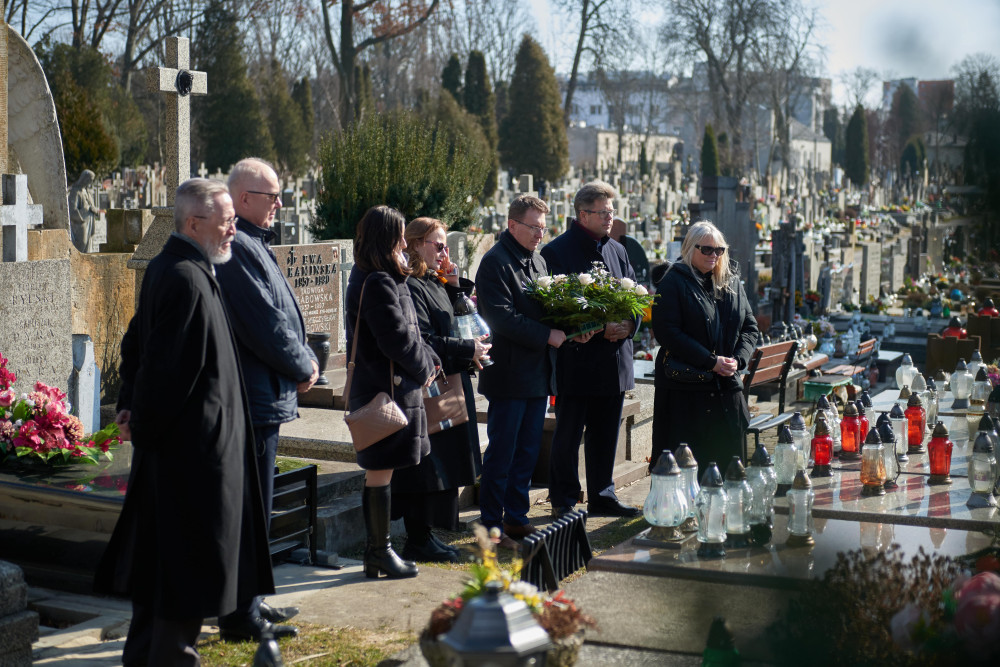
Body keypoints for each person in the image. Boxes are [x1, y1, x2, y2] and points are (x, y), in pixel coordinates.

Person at [94, 179, 276, 666]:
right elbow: (167, 371)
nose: (234, 229)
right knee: (181, 586)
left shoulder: (177, 267)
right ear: (194, 224)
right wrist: (140, 420)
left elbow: (138, 345)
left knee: (163, 585)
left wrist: (130, 407)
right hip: (191, 462)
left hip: (184, 455)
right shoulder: (184, 278)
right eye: (227, 221)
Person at [214, 158, 317, 635]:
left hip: (264, 395)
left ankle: (251, 600)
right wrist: (302, 365)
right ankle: (240, 614)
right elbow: (265, 323)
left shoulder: (253, 241)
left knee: (257, 507)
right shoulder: (238, 247)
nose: (279, 203)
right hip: (253, 397)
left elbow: (279, 314)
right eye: (272, 195)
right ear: (243, 199)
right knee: (250, 510)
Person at [475, 196, 594, 550]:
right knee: (503, 453)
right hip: (509, 375)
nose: (540, 234)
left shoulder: (538, 260)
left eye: (543, 228)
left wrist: (572, 330)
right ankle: (491, 527)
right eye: (533, 227)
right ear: (513, 225)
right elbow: (501, 318)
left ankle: (516, 517)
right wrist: (548, 336)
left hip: (538, 374)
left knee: (527, 451)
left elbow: (548, 311)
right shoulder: (495, 263)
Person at [345, 205, 441, 579]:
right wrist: (425, 366)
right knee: (380, 471)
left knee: (382, 471)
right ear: (387, 238)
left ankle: (379, 553)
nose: (404, 241)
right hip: (384, 392)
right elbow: (396, 340)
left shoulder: (380, 276)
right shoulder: (378, 281)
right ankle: (379, 552)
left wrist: (429, 358)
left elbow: (410, 333)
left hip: (390, 388)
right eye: (399, 235)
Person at [541, 181, 641, 518]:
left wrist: (629, 325)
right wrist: (598, 327)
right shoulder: (557, 252)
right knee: (568, 435)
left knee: (606, 434)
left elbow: (636, 296)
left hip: (614, 360)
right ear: (583, 215)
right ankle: (564, 499)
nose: (610, 218)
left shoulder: (617, 250)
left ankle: (602, 495)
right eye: (603, 213)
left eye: (611, 212)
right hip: (578, 362)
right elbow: (553, 310)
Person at [395, 217, 489, 562]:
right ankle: (418, 539)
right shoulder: (411, 285)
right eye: (438, 245)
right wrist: (467, 349)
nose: (444, 252)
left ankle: (428, 536)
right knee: (428, 468)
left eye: (446, 245)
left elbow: (454, 319)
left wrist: (454, 284)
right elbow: (424, 338)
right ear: (416, 244)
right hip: (431, 387)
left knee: (445, 465)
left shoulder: (434, 281)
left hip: (451, 381)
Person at [650, 220, 759, 475]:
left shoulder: (730, 282)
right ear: (690, 248)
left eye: (719, 250)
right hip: (687, 393)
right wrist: (711, 362)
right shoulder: (673, 281)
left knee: (728, 469)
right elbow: (668, 332)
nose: (714, 255)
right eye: (706, 249)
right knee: (688, 470)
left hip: (726, 391)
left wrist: (738, 360)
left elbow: (750, 326)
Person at [69, 169, 100, 252]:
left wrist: (94, 210)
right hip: (80, 223)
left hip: (89, 222)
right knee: (82, 243)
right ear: (84, 178)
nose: (90, 182)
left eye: (92, 180)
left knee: (88, 246)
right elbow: (72, 210)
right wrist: (84, 210)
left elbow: (92, 207)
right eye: (89, 180)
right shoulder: (75, 192)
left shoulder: (87, 192)